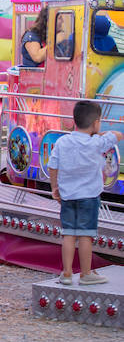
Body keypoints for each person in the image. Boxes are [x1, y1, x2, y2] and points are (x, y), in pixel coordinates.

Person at [48, 101, 122, 286]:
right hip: (89, 197)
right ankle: (86, 273)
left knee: (68, 234)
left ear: (75, 120)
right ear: (96, 122)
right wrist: (101, 134)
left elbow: (53, 166)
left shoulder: (62, 141)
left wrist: (54, 187)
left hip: (67, 196)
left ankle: (66, 273)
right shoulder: (98, 142)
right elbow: (118, 135)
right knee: (85, 235)